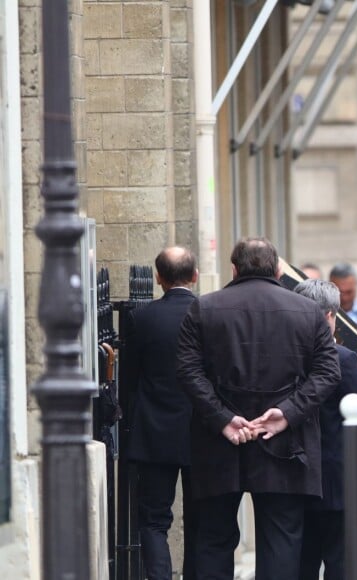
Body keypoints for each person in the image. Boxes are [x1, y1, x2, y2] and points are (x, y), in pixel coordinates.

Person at [176, 237, 341, 580]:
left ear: (234, 270)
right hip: (287, 443)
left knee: (214, 538)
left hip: (218, 442)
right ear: (279, 271)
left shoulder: (204, 308)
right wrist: (287, 414)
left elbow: (188, 372)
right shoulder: (309, 312)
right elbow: (328, 372)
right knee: (280, 540)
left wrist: (222, 419)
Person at [125, 246, 199, 580]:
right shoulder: (209, 313)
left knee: (154, 520)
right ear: (195, 276)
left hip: (155, 431)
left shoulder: (142, 317)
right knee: (204, 517)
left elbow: (129, 376)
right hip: (202, 431)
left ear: (158, 278)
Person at [293, 279, 357, 580]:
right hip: (339, 477)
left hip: (298, 474)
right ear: (331, 315)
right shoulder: (344, 358)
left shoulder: (286, 356)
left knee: (303, 562)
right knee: (341, 562)